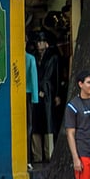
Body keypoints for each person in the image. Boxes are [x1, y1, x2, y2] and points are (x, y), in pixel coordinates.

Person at [31, 31, 63, 163]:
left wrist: (57, 94)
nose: (39, 44)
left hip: (48, 92)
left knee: (49, 122)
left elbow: (57, 76)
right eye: (38, 42)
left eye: (41, 42)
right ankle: (37, 155)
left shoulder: (53, 57)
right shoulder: (33, 57)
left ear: (46, 43)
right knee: (36, 123)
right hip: (36, 91)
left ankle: (49, 153)